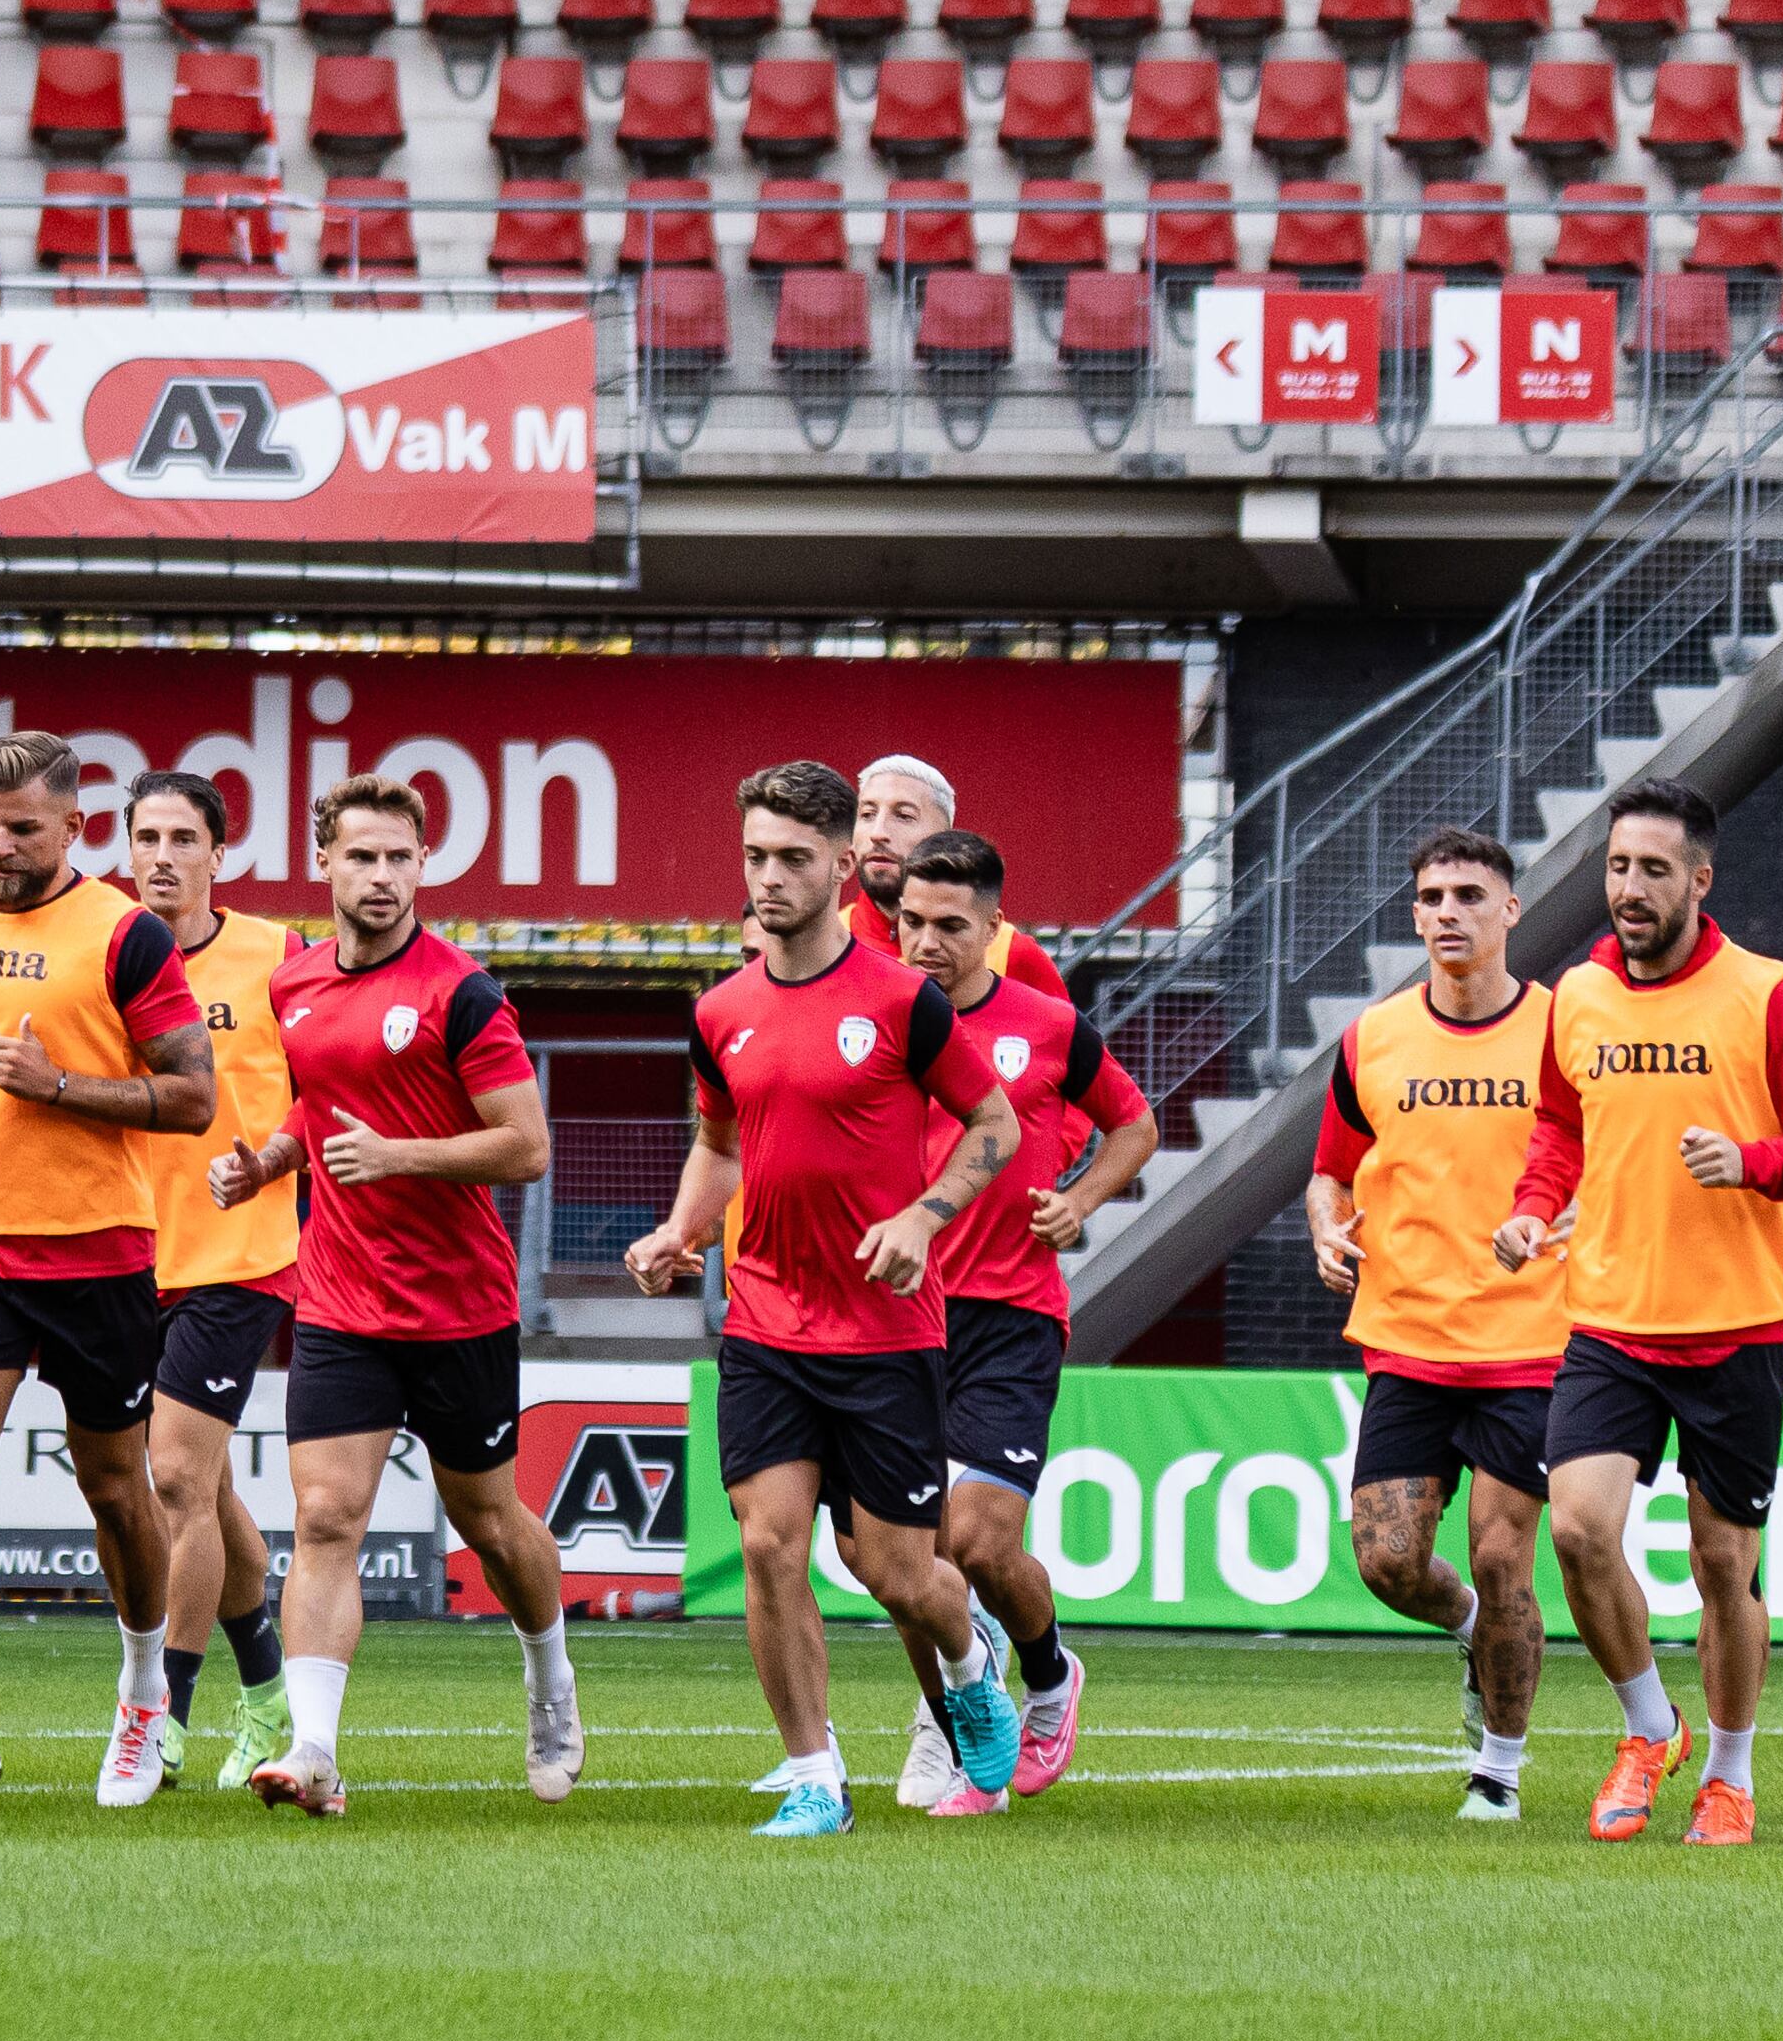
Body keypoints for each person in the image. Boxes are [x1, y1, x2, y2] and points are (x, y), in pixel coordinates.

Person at [626, 759, 1030, 1838]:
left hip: (886, 1331)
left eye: (793, 859)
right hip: (763, 1321)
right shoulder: (718, 1011)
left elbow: (995, 1126)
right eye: (755, 855)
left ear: (842, 868)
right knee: (767, 1544)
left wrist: (923, 1217)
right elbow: (719, 1145)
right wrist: (680, 1230)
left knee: (900, 1572)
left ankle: (967, 1657)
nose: (768, 877)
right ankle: (813, 1775)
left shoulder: (902, 1000)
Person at [1493, 778, 1783, 1849]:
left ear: (1698, 881)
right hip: (1608, 1319)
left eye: (1652, 869)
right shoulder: (1576, 995)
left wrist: (1749, 1162)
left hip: (1735, 1326)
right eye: (1617, 867)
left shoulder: (1764, 993)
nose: (1628, 887)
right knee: (1574, 1530)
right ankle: (1645, 1727)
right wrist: (1530, 1213)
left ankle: (1729, 1774)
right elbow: (1556, 1133)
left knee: (1720, 1568)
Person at [206, 773, 580, 1816]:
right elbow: (322, 1107)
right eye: (361, 856)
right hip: (337, 1302)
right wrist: (267, 1163)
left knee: (490, 1521)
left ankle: (548, 1674)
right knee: (324, 1519)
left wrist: (400, 1157)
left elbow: (526, 1146)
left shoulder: (462, 992)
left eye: (398, 857)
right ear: (322, 863)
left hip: (459, 1309)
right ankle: (314, 1753)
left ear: (422, 866)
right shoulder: (295, 986)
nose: (380, 875)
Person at [0, 731, 218, 1806]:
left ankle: (140, 1698)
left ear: (75, 827)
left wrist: (61, 1087)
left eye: (22, 828)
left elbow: (192, 1100)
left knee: (117, 1489)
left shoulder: (126, 937)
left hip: (96, 1252)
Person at [878, 830, 1155, 1813]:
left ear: (993, 928)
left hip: (1009, 1318)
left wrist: (1081, 1202)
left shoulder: (1043, 1023)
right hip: (894, 1319)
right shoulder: (869, 1024)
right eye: (909, 921)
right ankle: (966, 1750)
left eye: (949, 925)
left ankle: (1047, 1674)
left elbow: (1133, 1123)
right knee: (900, 1558)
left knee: (978, 1541)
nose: (924, 942)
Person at [1307, 827, 1564, 1822]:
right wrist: (1328, 1235)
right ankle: (1469, 1627)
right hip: (1406, 1341)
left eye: (1468, 894)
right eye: (1429, 897)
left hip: (1530, 1341)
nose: (1446, 912)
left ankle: (1495, 1772)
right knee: (1386, 1562)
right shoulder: (1372, 1039)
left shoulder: (1561, 1030)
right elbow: (1329, 1174)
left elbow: (1604, 1155)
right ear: (1412, 916)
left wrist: (1567, 1215)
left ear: (1509, 910)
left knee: (1505, 1555)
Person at [123, 768, 301, 1790]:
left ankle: (164, 1717)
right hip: (129, 1255)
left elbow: (325, 1094)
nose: (160, 855)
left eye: (181, 837)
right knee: (211, 1489)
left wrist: (267, 1160)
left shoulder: (276, 956)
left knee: (178, 1479)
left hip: (242, 1257)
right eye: (145, 835)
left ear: (215, 855)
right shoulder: (107, 956)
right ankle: (269, 1695)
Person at [842, 754, 1070, 997]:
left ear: (942, 836)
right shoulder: (825, 944)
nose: (878, 833)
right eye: (867, 814)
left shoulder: (1009, 951)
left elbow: (1062, 1031)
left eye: (904, 816)